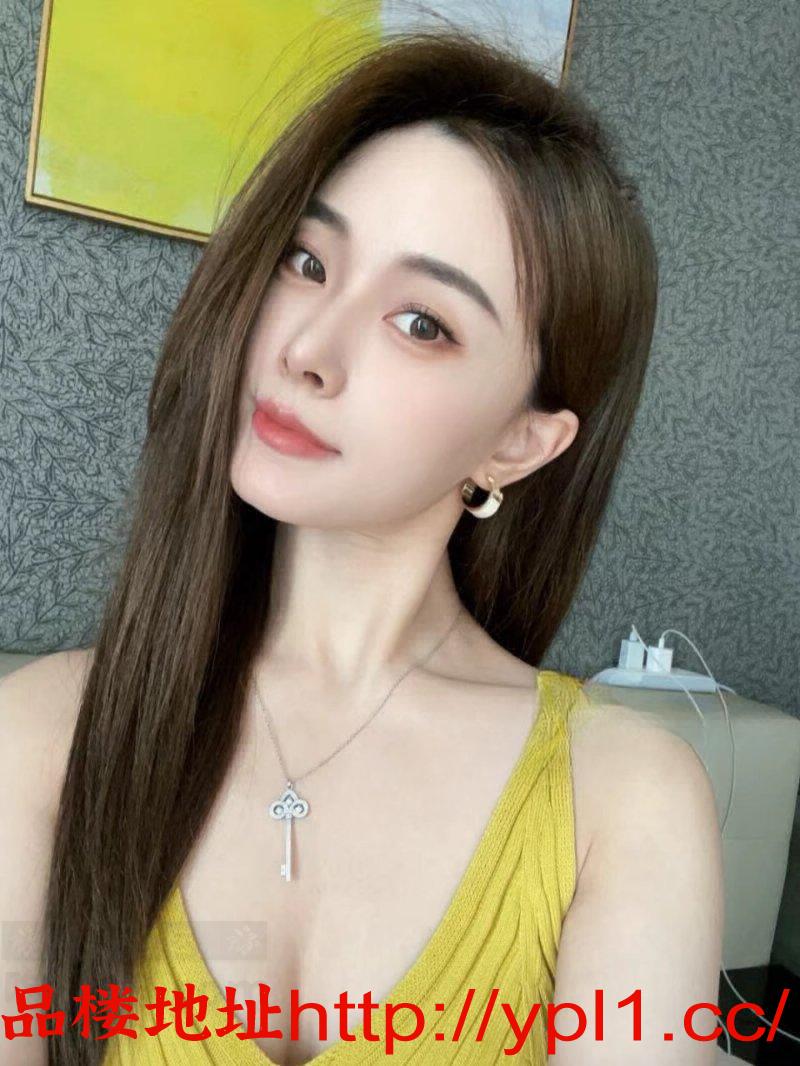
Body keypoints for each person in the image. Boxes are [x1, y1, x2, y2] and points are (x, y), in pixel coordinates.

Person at [0, 24, 723, 1066]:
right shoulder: (41, 738)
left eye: (421, 322)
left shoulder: (622, 798)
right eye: (308, 261)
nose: (307, 348)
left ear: (519, 443)